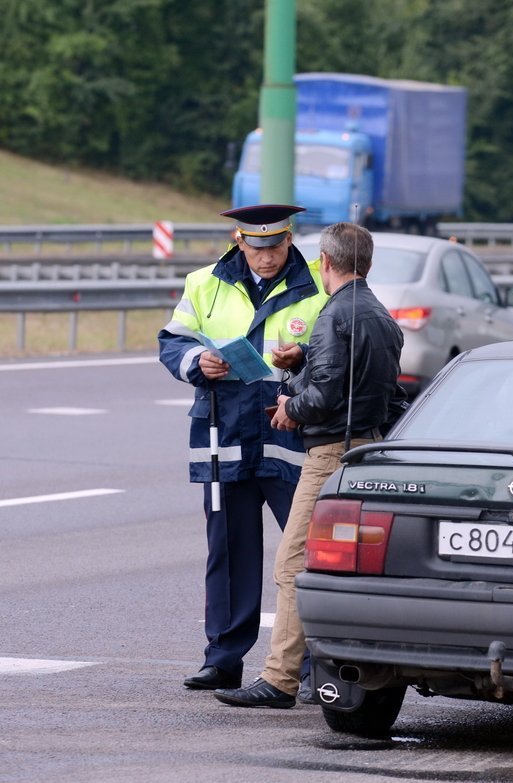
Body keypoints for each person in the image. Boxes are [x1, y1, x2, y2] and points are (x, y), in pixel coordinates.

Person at [215, 221, 407, 709]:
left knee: (293, 565)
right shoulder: (380, 316)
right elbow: (375, 391)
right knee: (342, 569)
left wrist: (288, 406)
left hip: (328, 455)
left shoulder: (335, 314)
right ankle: (332, 671)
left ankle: (280, 679)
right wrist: (302, 359)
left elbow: (326, 393)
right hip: (368, 449)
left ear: (325, 261)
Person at [158, 204, 328, 691]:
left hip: (289, 434)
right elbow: (173, 340)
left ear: (289, 240)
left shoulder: (317, 283)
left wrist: (304, 356)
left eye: (275, 247)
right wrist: (197, 361)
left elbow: (339, 347)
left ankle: (318, 663)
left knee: (307, 555)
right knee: (228, 552)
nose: (267, 258)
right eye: (257, 248)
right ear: (239, 241)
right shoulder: (204, 282)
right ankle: (223, 658)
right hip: (224, 432)